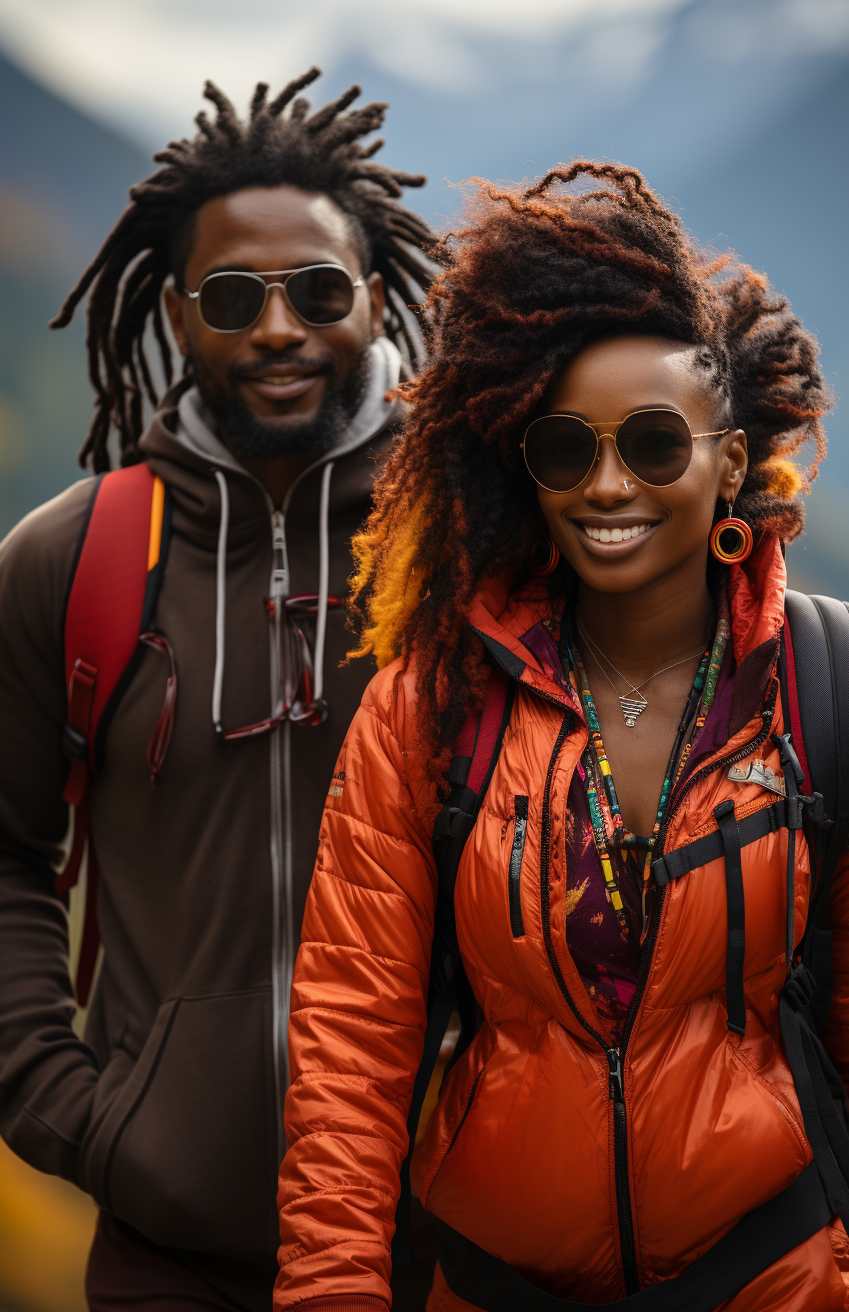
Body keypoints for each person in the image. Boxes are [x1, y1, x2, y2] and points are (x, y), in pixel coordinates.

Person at [275, 162, 849, 1311]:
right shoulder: (430, 705)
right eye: (567, 448)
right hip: (494, 1283)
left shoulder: (838, 690)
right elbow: (348, 1064)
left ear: (730, 459)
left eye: (656, 444)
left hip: (770, 1276)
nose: (607, 484)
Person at [0, 72, 434, 1312]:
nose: (280, 328)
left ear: (373, 299)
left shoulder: (471, 548)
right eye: (234, 297)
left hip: (458, 1246)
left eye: (319, 291)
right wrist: (71, 1107)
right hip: (166, 1261)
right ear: (178, 313)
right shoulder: (68, 564)